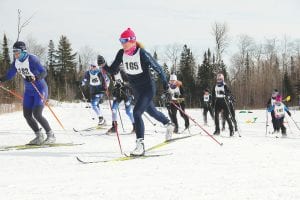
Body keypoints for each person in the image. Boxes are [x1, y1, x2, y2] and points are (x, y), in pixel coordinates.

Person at [98, 28, 174, 156]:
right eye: (121, 41)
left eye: (124, 41)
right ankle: (168, 124)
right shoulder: (121, 53)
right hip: (137, 90)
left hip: (148, 88)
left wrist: (166, 87)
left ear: (132, 41)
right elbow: (112, 70)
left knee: (137, 113)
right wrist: (103, 65)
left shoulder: (142, 53)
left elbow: (159, 68)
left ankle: (140, 145)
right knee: (152, 112)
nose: (122, 43)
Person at [0, 41, 55, 145]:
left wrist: (35, 77)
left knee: (37, 114)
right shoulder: (15, 62)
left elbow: (44, 72)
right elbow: (10, 75)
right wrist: (1, 80)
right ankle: (39, 136)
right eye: (14, 52)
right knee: (27, 115)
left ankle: (51, 135)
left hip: (40, 88)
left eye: (17, 52)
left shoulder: (32, 59)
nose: (15, 54)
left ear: (23, 51)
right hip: (29, 91)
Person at [105, 66, 135, 134]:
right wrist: (109, 90)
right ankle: (114, 127)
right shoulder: (112, 74)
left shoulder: (122, 73)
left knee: (128, 112)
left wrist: (124, 86)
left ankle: (135, 126)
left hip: (126, 94)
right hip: (118, 94)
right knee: (114, 109)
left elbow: (130, 83)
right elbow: (113, 84)